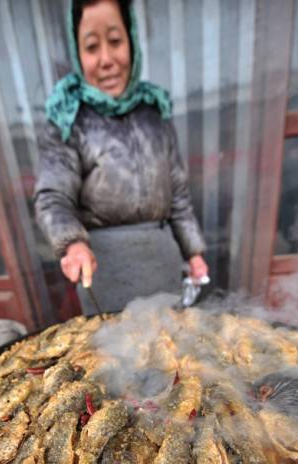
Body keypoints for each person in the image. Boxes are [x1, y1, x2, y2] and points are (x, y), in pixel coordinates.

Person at [34, 0, 208, 315]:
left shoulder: (155, 112)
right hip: (105, 272)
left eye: (115, 41)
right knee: (117, 358)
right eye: (91, 47)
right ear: (77, 53)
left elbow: (179, 196)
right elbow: (52, 197)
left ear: (132, 41)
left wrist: (193, 252)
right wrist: (72, 243)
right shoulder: (68, 117)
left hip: (162, 262)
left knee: (169, 353)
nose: (106, 59)